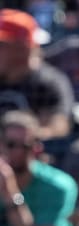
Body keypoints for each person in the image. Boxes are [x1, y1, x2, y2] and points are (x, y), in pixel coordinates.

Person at [0, 9, 74, 140]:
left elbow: (59, 127)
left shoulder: (48, 82)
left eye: (2, 45)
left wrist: (18, 139)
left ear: (22, 48)